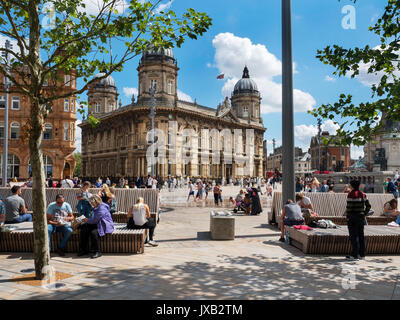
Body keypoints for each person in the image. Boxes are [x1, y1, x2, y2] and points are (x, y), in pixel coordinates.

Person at [345, 179, 371, 261]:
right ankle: (362, 254)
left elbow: (349, 207)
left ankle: (354, 255)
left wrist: (348, 216)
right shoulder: (363, 194)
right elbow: (368, 206)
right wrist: (364, 213)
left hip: (352, 217)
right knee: (361, 235)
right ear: (359, 185)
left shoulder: (350, 194)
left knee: (353, 236)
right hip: (361, 217)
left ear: (352, 186)